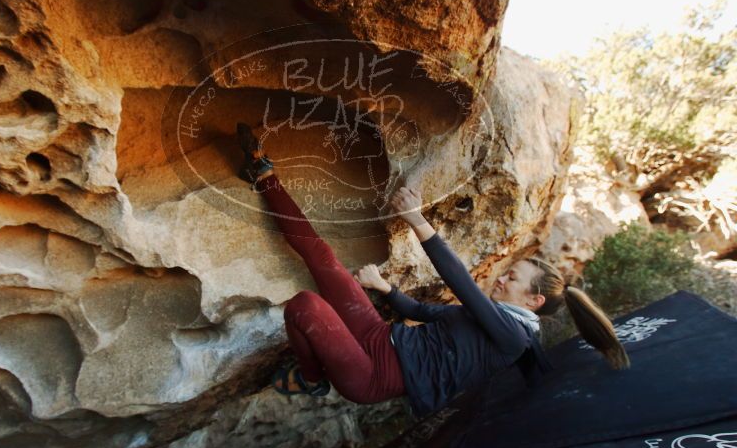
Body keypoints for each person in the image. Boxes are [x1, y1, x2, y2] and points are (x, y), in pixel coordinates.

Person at [233, 122, 630, 419]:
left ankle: (313, 379)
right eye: (510, 271)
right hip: (380, 337)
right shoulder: (494, 321)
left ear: (534, 300)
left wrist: (417, 220)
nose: (503, 277)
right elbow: (424, 313)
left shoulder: (513, 337)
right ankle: (265, 175)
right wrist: (384, 287)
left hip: (374, 375)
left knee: (305, 305)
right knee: (323, 257)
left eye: (514, 278)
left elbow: (460, 282)